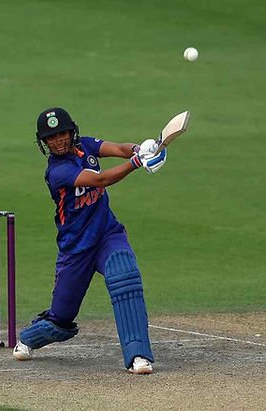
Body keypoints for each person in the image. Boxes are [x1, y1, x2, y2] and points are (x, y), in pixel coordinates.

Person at [12, 107, 166, 374]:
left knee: (125, 274)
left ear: (72, 132)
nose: (58, 141)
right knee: (60, 322)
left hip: (107, 234)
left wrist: (140, 148)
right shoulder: (57, 172)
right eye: (51, 138)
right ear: (44, 143)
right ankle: (28, 338)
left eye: (62, 134)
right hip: (76, 249)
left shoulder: (86, 146)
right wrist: (137, 163)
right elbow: (101, 179)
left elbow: (118, 148)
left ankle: (138, 356)